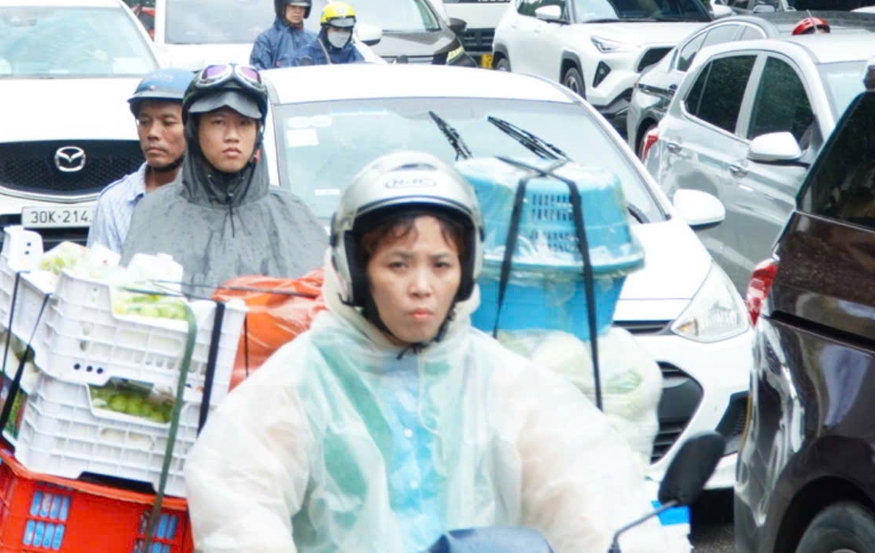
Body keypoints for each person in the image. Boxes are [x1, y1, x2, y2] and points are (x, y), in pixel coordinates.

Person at [186, 152, 660, 553]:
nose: (421, 287)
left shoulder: (503, 381)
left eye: (441, 265)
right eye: (397, 264)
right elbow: (237, 505)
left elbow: (590, 495)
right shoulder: (303, 380)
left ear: (468, 270)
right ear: (354, 269)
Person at [115, 63, 323, 290]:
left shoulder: (292, 214)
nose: (232, 136)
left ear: (257, 132)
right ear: (194, 130)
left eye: (244, 123)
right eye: (218, 122)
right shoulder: (154, 211)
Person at [87, 67, 193, 258]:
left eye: (168, 123)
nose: (152, 133)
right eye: (144, 122)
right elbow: (99, 280)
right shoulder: (114, 202)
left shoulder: (215, 199)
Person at [250, 0, 322, 70]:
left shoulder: (313, 39)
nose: (298, 11)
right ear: (282, 8)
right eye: (293, 7)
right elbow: (260, 72)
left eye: (302, 8)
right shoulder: (266, 39)